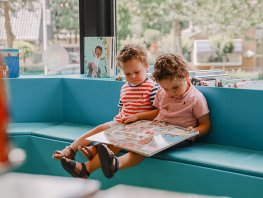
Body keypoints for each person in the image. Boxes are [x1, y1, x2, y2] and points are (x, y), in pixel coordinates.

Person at [60, 53, 210, 179]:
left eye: (175, 87)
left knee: (143, 146)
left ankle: (116, 164)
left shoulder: (196, 99)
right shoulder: (162, 93)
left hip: (179, 134)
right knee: (120, 137)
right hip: (157, 128)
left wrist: (193, 131)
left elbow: (205, 124)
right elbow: (158, 112)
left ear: (186, 76)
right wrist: (138, 117)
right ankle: (85, 169)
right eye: (166, 88)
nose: (171, 93)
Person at [52, 45, 159, 177]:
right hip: (123, 123)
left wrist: (137, 117)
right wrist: (117, 122)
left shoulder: (153, 87)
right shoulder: (125, 87)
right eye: (127, 74)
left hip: (140, 128)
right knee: (101, 127)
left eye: (137, 72)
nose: (132, 77)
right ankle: (70, 150)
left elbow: (158, 113)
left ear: (147, 67)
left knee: (114, 143)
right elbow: (122, 107)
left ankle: (86, 166)